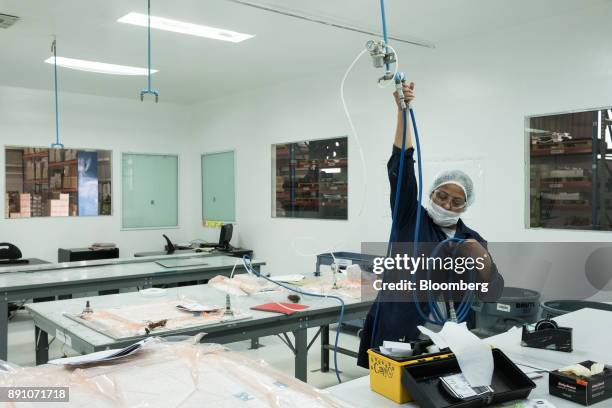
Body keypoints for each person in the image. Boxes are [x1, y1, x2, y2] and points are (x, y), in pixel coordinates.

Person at [356, 82, 504, 368]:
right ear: (431, 194)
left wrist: (482, 260)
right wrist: (403, 113)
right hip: (399, 328)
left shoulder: (471, 240)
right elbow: (401, 169)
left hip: (450, 334)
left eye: (456, 201)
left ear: (466, 206)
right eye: (442, 196)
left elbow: (493, 289)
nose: (447, 205)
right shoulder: (410, 219)